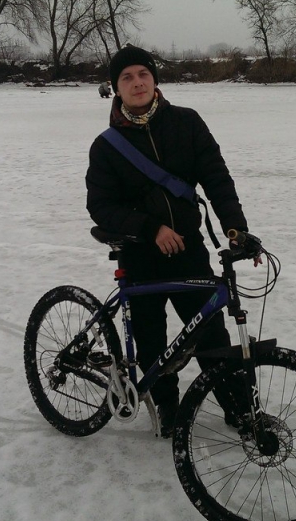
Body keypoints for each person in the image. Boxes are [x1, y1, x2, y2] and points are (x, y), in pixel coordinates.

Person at [86, 45, 251, 438]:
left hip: (187, 247)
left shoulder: (186, 123)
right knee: (150, 336)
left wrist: (236, 228)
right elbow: (100, 205)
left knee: (210, 331)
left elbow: (216, 177)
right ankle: (165, 402)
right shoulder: (106, 146)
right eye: (126, 77)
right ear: (115, 88)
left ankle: (238, 404)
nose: (137, 83)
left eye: (143, 74)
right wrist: (150, 229)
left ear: (154, 79)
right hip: (139, 252)